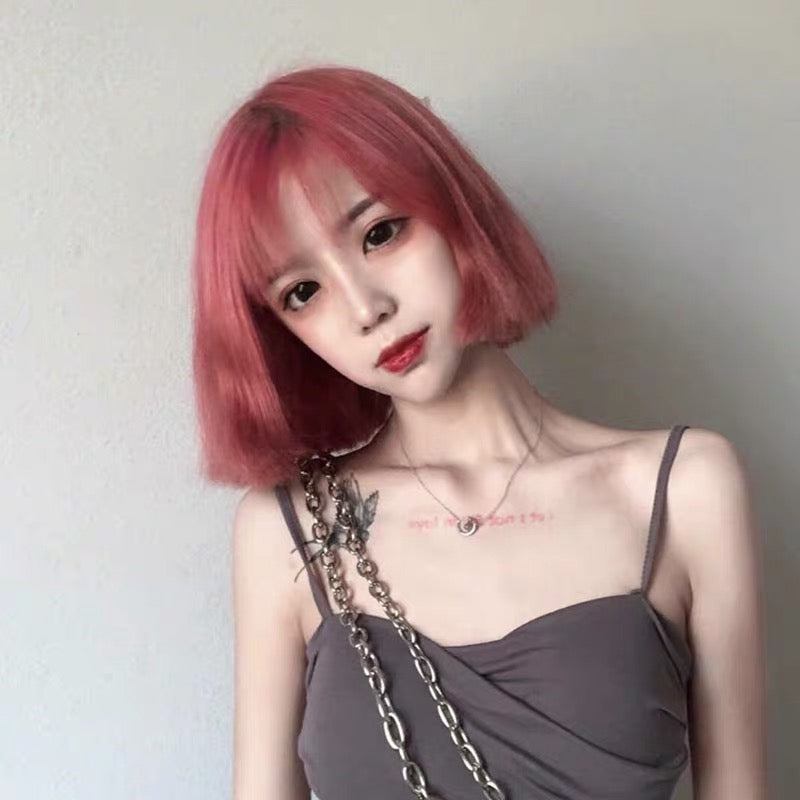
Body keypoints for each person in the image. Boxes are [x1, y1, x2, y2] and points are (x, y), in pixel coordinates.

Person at [191, 64, 767, 800]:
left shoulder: (685, 490)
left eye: (380, 233)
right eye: (303, 291)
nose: (366, 308)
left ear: (452, 204)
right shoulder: (287, 529)